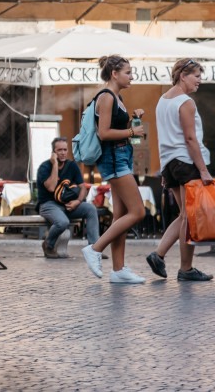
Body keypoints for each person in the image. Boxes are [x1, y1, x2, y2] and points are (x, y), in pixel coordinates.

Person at [80, 55, 148, 284]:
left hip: (121, 155)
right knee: (138, 211)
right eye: (128, 72)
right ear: (114, 74)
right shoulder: (107, 97)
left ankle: (118, 270)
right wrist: (131, 133)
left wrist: (133, 122)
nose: (131, 76)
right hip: (114, 160)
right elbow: (104, 133)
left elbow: (115, 129)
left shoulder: (116, 96)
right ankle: (95, 248)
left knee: (121, 215)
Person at [146, 58, 215, 281]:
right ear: (183, 76)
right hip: (186, 163)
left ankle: (159, 255)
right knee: (190, 217)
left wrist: (165, 170)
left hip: (170, 163)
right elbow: (189, 138)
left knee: (185, 215)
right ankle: (185, 269)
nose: (199, 81)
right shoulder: (186, 102)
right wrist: (203, 170)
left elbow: (163, 136)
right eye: (196, 76)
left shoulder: (162, 100)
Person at [37, 137, 99, 258]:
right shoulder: (45, 167)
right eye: (59, 150)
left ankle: (94, 249)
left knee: (91, 209)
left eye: (65, 150)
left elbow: (83, 187)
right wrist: (55, 164)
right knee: (62, 222)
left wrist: (78, 201)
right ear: (53, 152)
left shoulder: (72, 165)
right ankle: (48, 245)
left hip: (68, 204)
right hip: (48, 204)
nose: (63, 153)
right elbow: (51, 187)